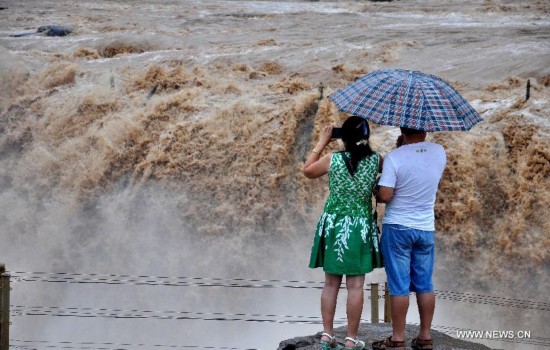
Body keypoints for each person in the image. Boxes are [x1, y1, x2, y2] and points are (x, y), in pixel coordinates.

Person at [304, 116, 383, 350]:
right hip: (359, 226)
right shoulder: (377, 160)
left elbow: (308, 171)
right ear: (366, 138)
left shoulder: (332, 159)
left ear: (343, 138)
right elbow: (391, 177)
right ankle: (351, 338)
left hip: (334, 224)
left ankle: (327, 335)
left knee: (330, 284)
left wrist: (321, 142)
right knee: (356, 286)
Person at [372, 127, 446, 350]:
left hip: (398, 229)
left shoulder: (395, 157)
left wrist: (376, 189)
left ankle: (397, 339)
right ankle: (425, 337)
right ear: (426, 128)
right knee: (425, 284)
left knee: (399, 286)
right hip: (425, 228)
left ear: (402, 129)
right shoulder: (439, 151)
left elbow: (385, 195)